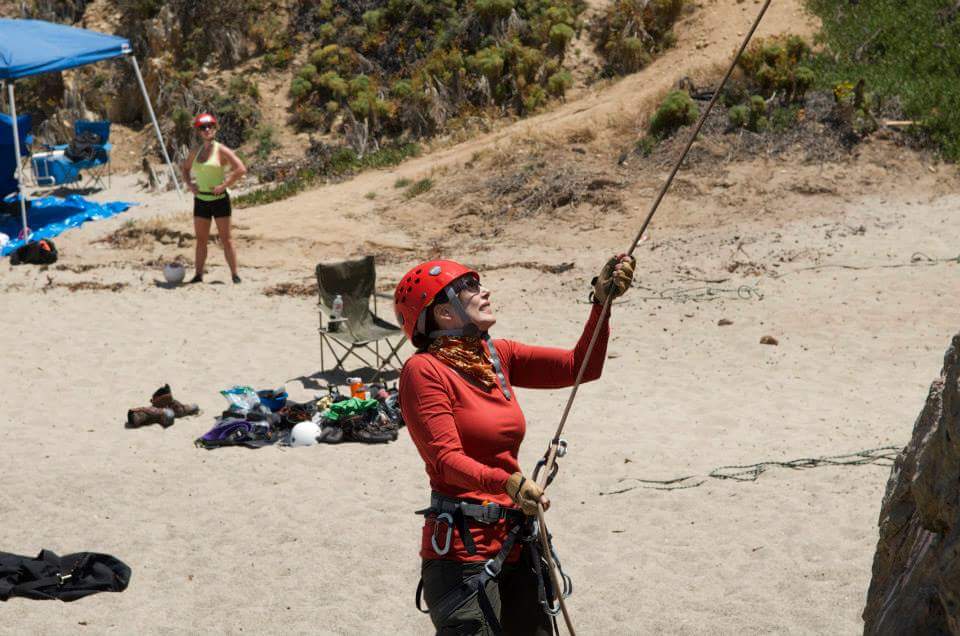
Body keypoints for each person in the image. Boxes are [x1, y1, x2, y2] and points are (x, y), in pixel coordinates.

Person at [395, 255, 636, 635]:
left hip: (515, 538)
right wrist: (506, 482)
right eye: (469, 288)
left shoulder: (496, 356)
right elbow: (444, 460)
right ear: (444, 313)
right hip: (464, 550)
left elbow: (581, 367)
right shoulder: (423, 371)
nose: (484, 291)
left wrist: (601, 303)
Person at [180, 113, 247, 284]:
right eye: (203, 127)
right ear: (198, 131)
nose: (207, 129)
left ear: (215, 128)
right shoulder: (195, 151)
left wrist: (224, 185)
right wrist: (190, 185)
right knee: (201, 239)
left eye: (210, 126)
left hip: (220, 200)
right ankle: (198, 274)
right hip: (201, 200)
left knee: (226, 238)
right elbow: (185, 168)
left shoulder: (221, 149)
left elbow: (240, 168)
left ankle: (235, 274)